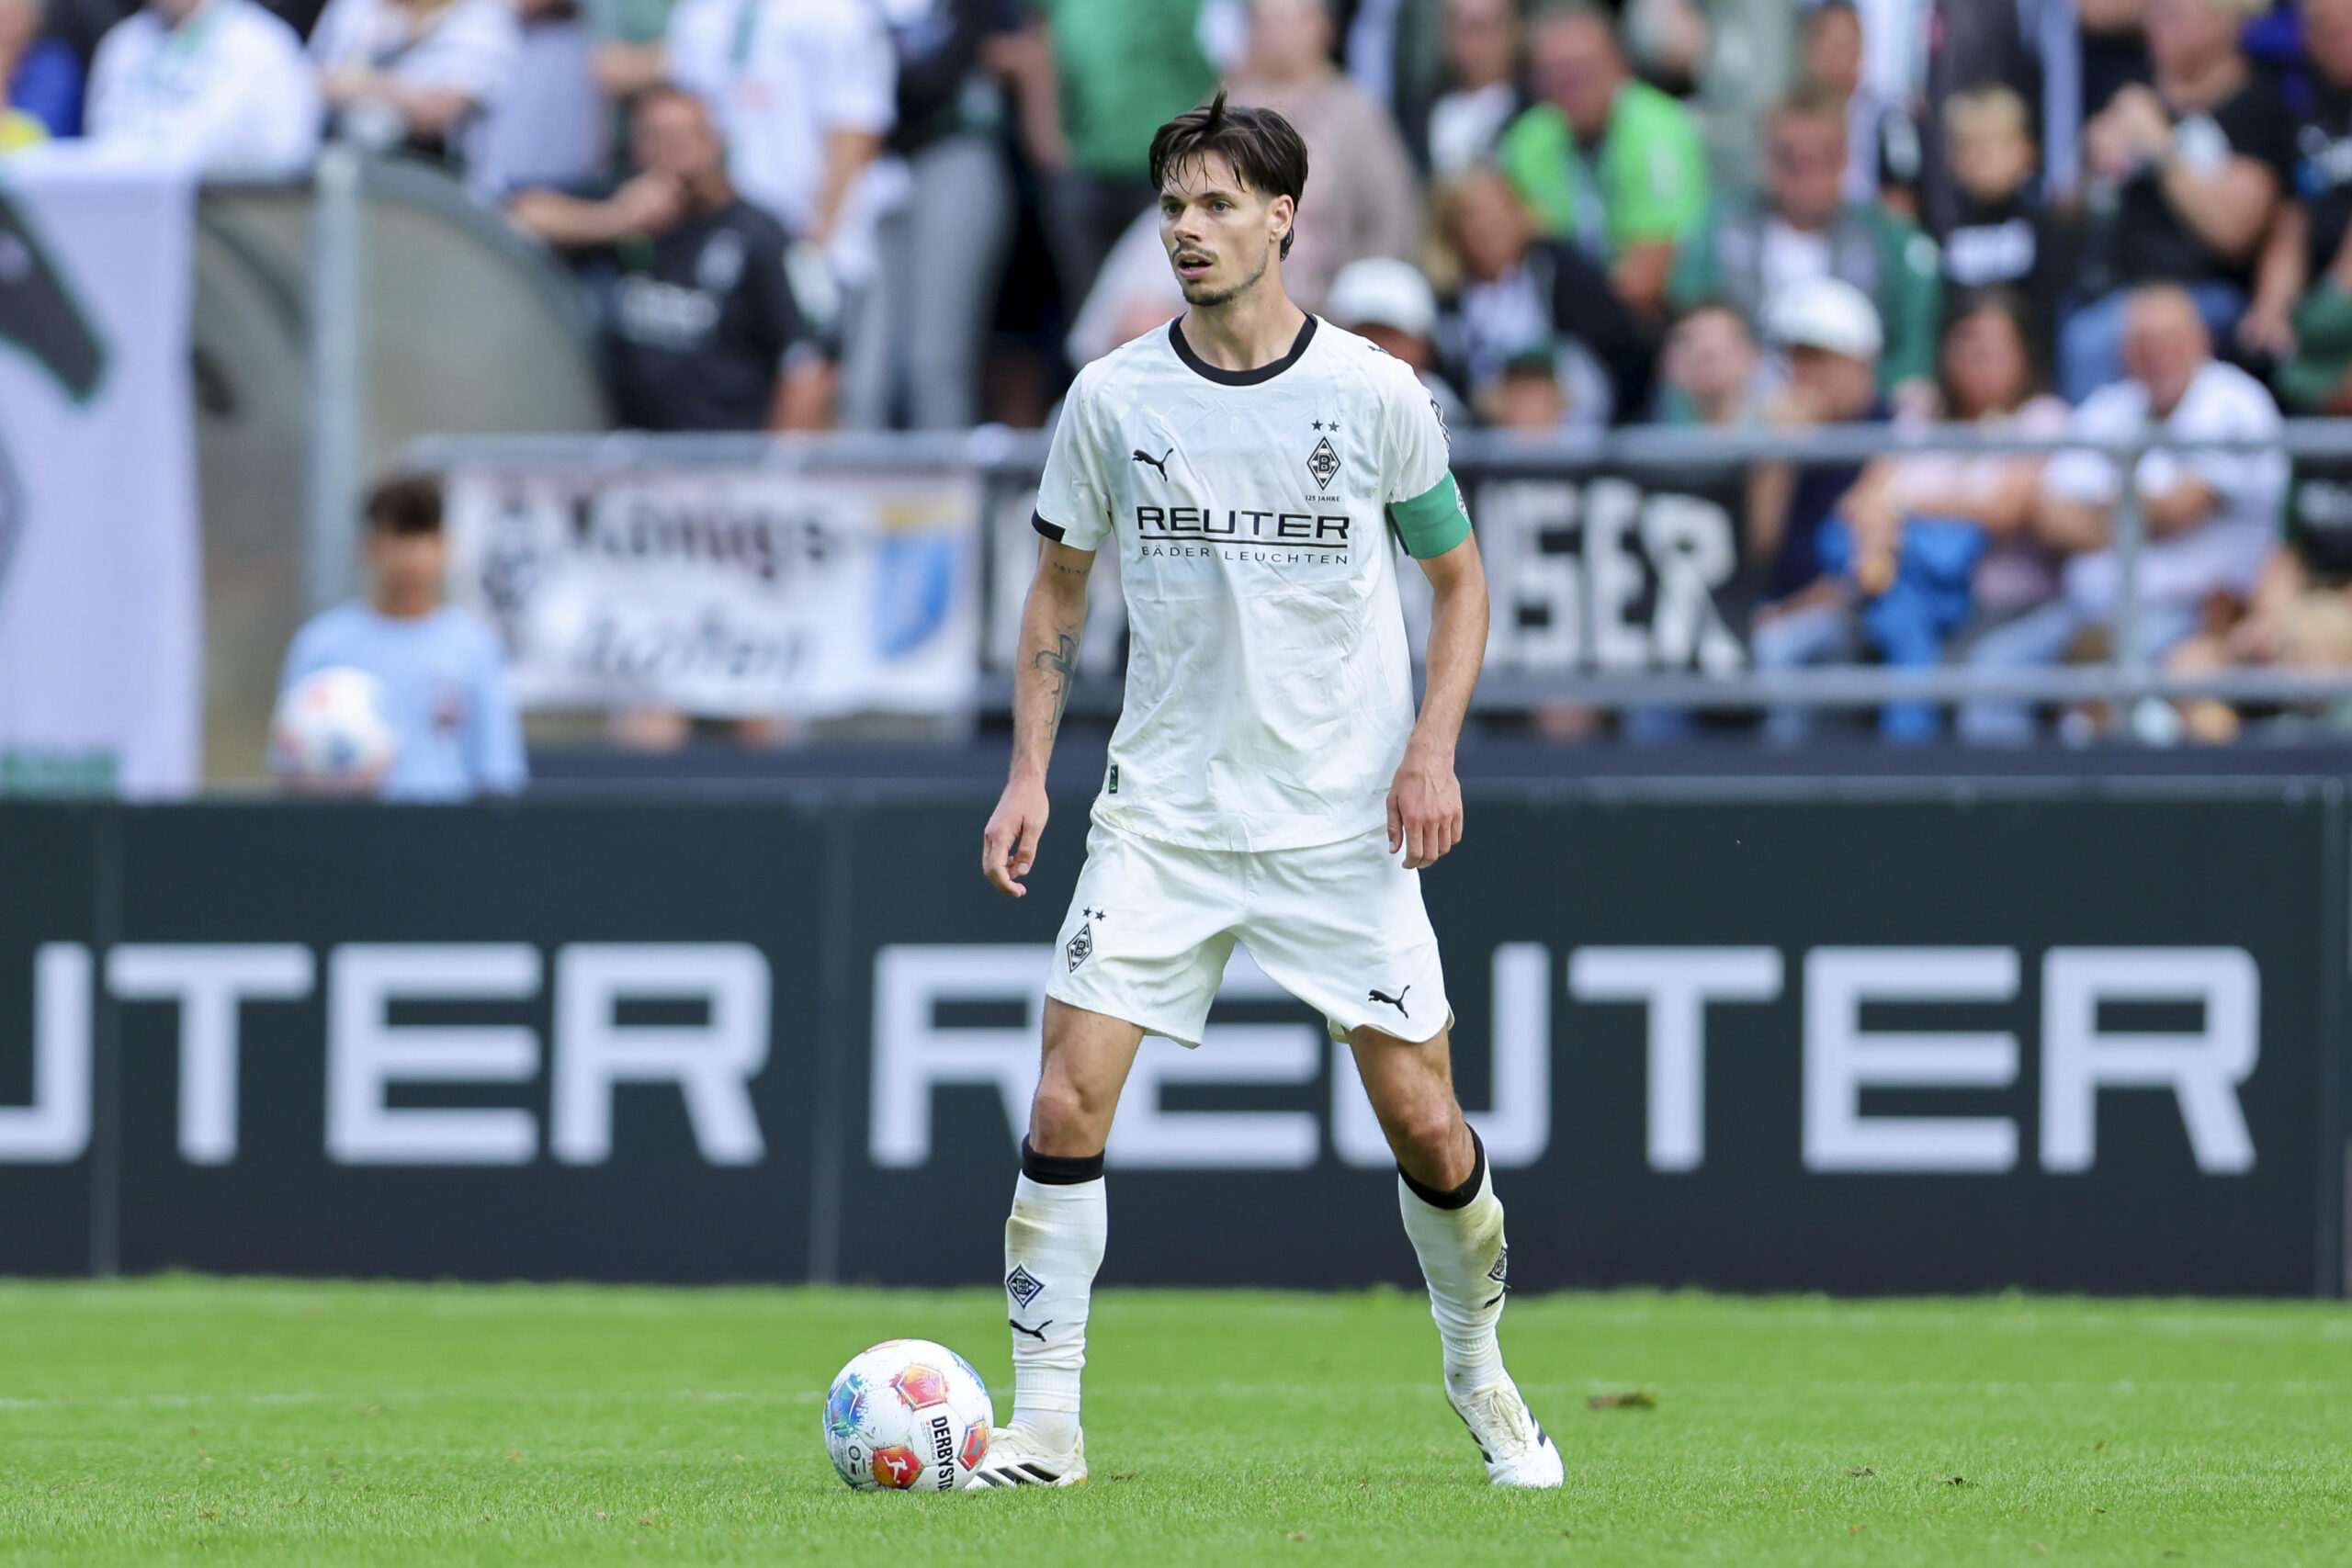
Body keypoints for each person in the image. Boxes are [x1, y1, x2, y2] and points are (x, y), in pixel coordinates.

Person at [972, 90, 1556, 1491]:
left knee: (1425, 1120)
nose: (1189, 228)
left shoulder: (1370, 392)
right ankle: (1044, 1429)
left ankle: (1479, 1365)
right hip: (1163, 814)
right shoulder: (1113, 398)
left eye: (1219, 203)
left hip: (1339, 823)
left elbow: (1462, 583)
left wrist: (1433, 746)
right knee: (1064, 1102)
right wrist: (1027, 777)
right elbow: (1057, 590)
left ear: (1284, 217)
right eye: (1175, 205)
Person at [1960, 284, 2287, 742]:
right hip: (2083, 611)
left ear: (2201, 341)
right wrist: (2142, 511)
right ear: (2123, 352)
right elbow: (2049, 515)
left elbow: (2183, 508)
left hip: (2192, 615)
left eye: (2169, 339)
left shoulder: (2236, 402)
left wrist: (2103, 507)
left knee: (2112, 707)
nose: (2156, 354)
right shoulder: (2109, 407)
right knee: (1990, 672)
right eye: (2142, 342)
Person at [507, 83, 831, 432]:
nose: (674, 148)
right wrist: (612, 221)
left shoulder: (761, 235)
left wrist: (774, 472)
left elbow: (807, 365)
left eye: (684, 134)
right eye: (658, 135)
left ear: (715, 141)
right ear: (637, 146)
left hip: (725, 457)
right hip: (632, 454)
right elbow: (516, 218)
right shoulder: (627, 206)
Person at [1829, 289, 2072, 739]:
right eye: (1966, 340)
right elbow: (1859, 500)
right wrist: (1882, 530)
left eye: (1995, 345)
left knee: (1982, 683)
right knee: (1798, 653)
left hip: (2010, 611)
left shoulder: (2043, 417)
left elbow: (2002, 510)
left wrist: (1900, 505)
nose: (1979, 354)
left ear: (2023, 353)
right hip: (1904, 596)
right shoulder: (1920, 414)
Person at [2063, 0, 2290, 402]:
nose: (2157, 25)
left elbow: (2232, 233)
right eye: (2155, 13)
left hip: (2209, 294)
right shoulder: (2130, 93)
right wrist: (2090, 166)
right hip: (2114, 291)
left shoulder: (2257, 105)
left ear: (2226, 24)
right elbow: (2068, 215)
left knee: (2092, 342)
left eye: (2175, 14)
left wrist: (2160, 146)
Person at [1670, 85, 1943, 403]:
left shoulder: (1889, 239)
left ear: (1844, 159)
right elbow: (1687, 336)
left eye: (1820, 158)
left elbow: (1914, 351)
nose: (1805, 172)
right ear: (1765, 157)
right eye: (1789, 158)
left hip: (1857, 418)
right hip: (1743, 417)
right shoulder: (1719, 229)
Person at [277, 473, 526, 801]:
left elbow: (498, 772)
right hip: (347, 838)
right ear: (369, 547)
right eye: (397, 536)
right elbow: (289, 764)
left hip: (444, 839)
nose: (411, 554)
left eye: (422, 537)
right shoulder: (321, 646)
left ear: (443, 548)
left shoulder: (474, 648)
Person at [838, 0, 1022, 430]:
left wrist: (866, 78)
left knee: (934, 357)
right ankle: (854, 492)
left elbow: (938, 75)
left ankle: (949, 490)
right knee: (863, 365)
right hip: (864, 166)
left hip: (949, 152)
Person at [663, 0, 893, 309]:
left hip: (806, 242)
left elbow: (855, 131)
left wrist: (817, 248)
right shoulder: (700, 13)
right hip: (716, 246)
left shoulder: (835, 12)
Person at [1742, 276, 1891, 742]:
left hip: (1861, 614)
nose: (1803, 374)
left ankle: (1785, 795)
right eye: (1795, 358)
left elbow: (1868, 571)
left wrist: (1787, 612)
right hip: (1784, 604)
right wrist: (1781, 454)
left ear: (1860, 362)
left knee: (1773, 649)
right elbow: (1762, 544)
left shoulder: (1893, 428)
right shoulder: (1782, 432)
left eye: (1819, 358)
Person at [1495, 0, 1709, 321]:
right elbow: (1503, 257)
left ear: (1619, 65)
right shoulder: (1525, 140)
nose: (1570, 86)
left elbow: (1645, 278)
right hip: (1555, 317)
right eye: (1554, 72)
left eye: (1582, 70)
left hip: (1660, 321)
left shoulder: (1660, 131)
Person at [1020, 0, 1217, 317]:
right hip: (1080, 166)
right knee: (1089, 316)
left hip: (1171, 174)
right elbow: (1040, 38)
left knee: (1164, 308)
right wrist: (1043, 132)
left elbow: (1226, 58)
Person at [1227, 0, 1422, 312]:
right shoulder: (1224, 105)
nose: (1278, 32)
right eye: (1266, 20)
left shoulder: (1357, 113)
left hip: (1330, 311)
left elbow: (1390, 221)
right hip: (1230, 303)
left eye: (1292, 19)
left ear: (1325, 28)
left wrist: (1360, 305)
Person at [1437, 164, 1656, 423]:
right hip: (1486, 442)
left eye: (1496, 211)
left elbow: (1623, 352)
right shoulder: (1447, 302)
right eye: (1472, 215)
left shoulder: (1565, 274)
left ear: (1520, 213)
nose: (1488, 225)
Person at [85, 0, 320, 175]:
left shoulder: (265, 44)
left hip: (229, 226)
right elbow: (99, 143)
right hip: (125, 217)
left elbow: (291, 159)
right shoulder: (121, 44)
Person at [308, 0, 520, 176]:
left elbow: (436, 114)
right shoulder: (356, 6)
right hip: (329, 164)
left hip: (437, 189)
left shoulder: (485, 17)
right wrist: (406, 95)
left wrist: (357, 85)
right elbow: (307, 81)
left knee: (374, 123)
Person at [1939, 85, 2066, 365]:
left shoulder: (2045, 225)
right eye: (1968, 145)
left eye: (1994, 143)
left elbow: (2050, 313)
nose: (1981, 157)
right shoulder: (1941, 227)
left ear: (2026, 150)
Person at [1800, 0, 1926, 219]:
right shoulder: (1795, 117)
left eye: (1842, 45)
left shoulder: (1888, 115)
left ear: (1860, 46)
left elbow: (1900, 205)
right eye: (1825, 44)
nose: (1834, 56)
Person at [1325, 254, 1471, 428]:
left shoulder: (1445, 413)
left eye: (1390, 336)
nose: (1377, 348)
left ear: (1421, 346)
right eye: (1364, 335)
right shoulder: (1313, 403)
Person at [1423, 0, 1521, 177]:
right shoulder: (1418, 114)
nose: (1471, 43)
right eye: (1458, 27)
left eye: (1480, 28)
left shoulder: (1534, 115)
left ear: (1512, 32)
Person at [1655, 298, 1763, 425]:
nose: (1703, 347)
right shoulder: (1651, 429)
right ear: (1669, 361)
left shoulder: (1781, 428)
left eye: (1721, 341)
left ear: (1750, 355)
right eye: (1690, 340)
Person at [0, 0, 82, 143]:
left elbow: (35, 135)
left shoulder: (54, 63)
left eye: (9, 17)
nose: (3, 27)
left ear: (33, 19)